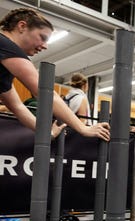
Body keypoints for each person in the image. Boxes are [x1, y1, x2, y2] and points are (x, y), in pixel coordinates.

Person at [0, 8, 110, 141]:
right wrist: (83, 128)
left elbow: (17, 106)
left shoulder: (5, 63)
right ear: (22, 26)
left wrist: (48, 132)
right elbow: (46, 93)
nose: (45, 46)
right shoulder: (5, 45)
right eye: (42, 38)